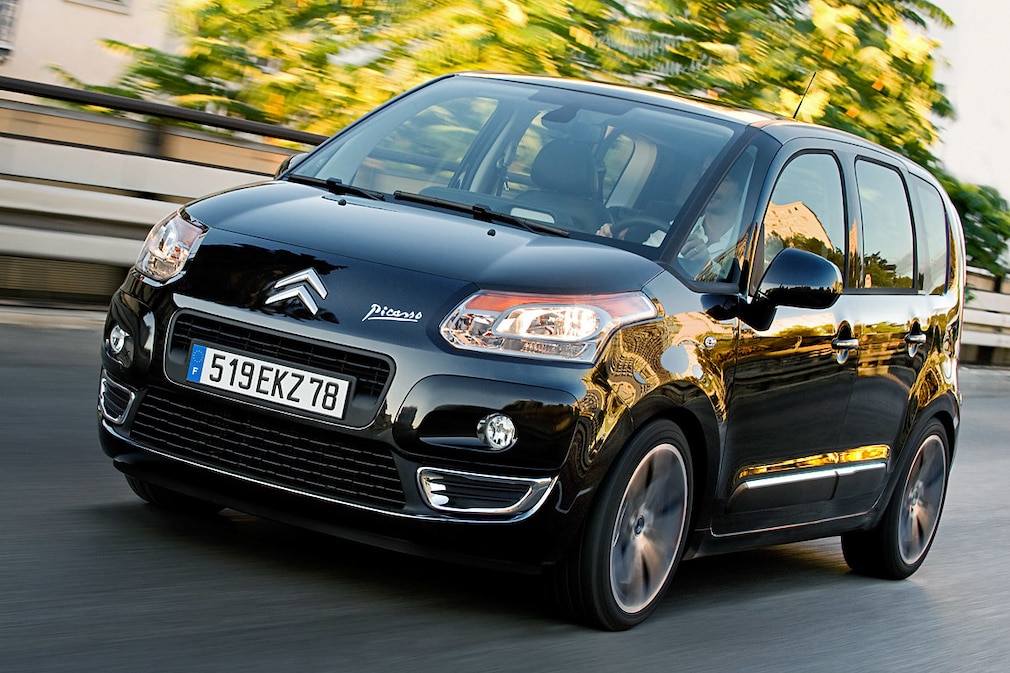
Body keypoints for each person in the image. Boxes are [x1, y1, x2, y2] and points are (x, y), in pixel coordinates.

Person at [677, 173, 744, 279]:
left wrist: (705, 266)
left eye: (724, 179)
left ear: (741, 189)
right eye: (707, 178)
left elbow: (738, 288)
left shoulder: (746, 245)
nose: (712, 186)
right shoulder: (672, 233)